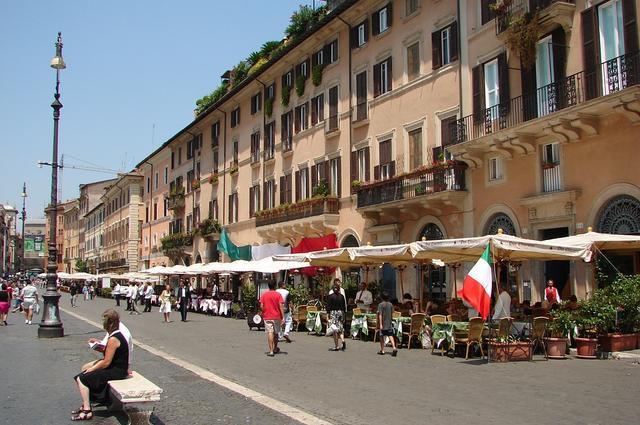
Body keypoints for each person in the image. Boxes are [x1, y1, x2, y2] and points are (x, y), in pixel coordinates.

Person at [71, 309, 129, 421]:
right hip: (116, 368)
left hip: (117, 371)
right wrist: (98, 343)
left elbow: (106, 361)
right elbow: (109, 353)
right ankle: (86, 404)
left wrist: (92, 369)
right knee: (81, 375)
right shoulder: (116, 335)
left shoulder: (114, 338)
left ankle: (87, 410)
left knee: (82, 378)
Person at [259, 281, 284, 357]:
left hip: (267, 316)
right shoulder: (278, 295)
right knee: (276, 332)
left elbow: (261, 306)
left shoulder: (264, 295)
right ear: (275, 286)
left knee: (270, 332)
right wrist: (283, 317)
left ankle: (270, 351)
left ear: (268, 286)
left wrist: (264, 311)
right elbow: (281, 306)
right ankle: (275, 348)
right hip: (277, 316)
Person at [326, 285, 347, 351]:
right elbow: (344, 307)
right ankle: (343, 340)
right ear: (339, 289)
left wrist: (327, 316)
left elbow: (328, 307)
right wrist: (344, 316)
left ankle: (336, 346)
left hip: (333, 313)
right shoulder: (342, 296)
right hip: (340, 312)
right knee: (340, 328)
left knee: (334, 329)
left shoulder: (331, 296)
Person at [377, 292, 397, 356]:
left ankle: (382, 350)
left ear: (382, 297)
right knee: (390, 335)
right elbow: (392, 312)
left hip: (383, 322)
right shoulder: (390, 304)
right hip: (389, 322)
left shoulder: (380, 305)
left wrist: (380, 324)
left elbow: (380, 314)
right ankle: (394, 347)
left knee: (381, 336)